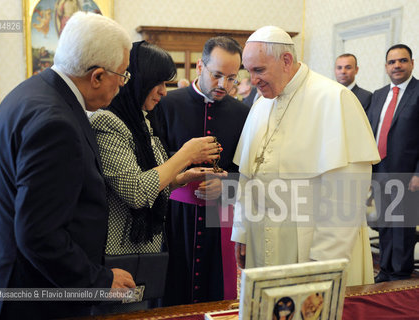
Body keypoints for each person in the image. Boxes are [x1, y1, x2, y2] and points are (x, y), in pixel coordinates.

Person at [0, 12, 135, 320]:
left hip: (8, 279)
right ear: (97, 76)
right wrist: (99, 282)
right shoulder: (57, 124)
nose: (122, 85)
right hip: (30, 297)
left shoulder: (32, 90)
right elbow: (38, 234)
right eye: (121, 75)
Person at [231, 26, 380, 286]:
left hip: (309, 250)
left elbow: (345, 196)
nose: (253, 80)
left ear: (286, 61)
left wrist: (323, 265)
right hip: (261, 243)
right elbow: (248, 176)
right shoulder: (260, 104)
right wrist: (242, 232)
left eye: (259, 70)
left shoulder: (335, 99)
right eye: (249, 71)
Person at [90, 41, 224, 312]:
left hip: (145, 247)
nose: (164, 91)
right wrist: (184, 155)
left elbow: (152, 179)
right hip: (120, 254)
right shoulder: (109, 122)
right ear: (138, 81)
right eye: (158, 83)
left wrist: (182, 177)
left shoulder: (140, 119)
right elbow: (137, 191)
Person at [156, 36, 249, 305]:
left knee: (215, 291)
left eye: (232, 78)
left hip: (219, 218)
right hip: (175, 216)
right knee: (173, 291)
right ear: (200, 67)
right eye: (217, 75)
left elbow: (248, 170)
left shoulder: (242, 113)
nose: (224, 85)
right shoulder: (167, 104)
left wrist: (227, 185)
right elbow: (154, 159)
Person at [367, 44, 419, 283]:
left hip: (408, 173)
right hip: (380, 169)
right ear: (386, 66)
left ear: (412, 63)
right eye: (392, 62)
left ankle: (399, 275)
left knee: (402, 227)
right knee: (385, 223)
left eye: (402, 61)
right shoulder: (378, 95)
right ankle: (385, 271)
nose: (397, 65)